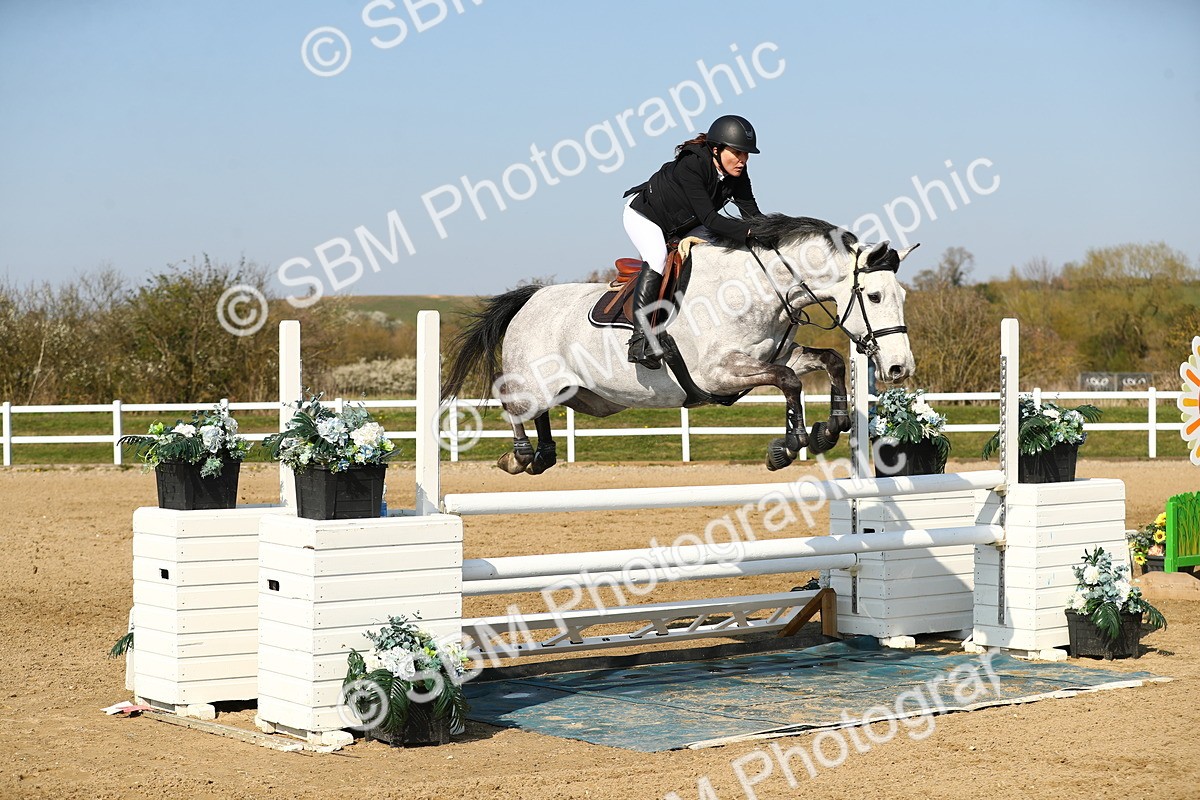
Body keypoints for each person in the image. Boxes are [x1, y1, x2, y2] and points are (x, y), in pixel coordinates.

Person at [621, 114, 763, 369]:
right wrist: (750, 233)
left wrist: (773, 235)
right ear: (716, 149)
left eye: (746, 155)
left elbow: (752, 215)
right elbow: (710, 219)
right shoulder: (692, 165)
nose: (743, 161)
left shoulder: (736, 173)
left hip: (687, 222)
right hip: (646, 216)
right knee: (657, 258)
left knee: (726, 250)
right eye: (738, 154)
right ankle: (640, 339)